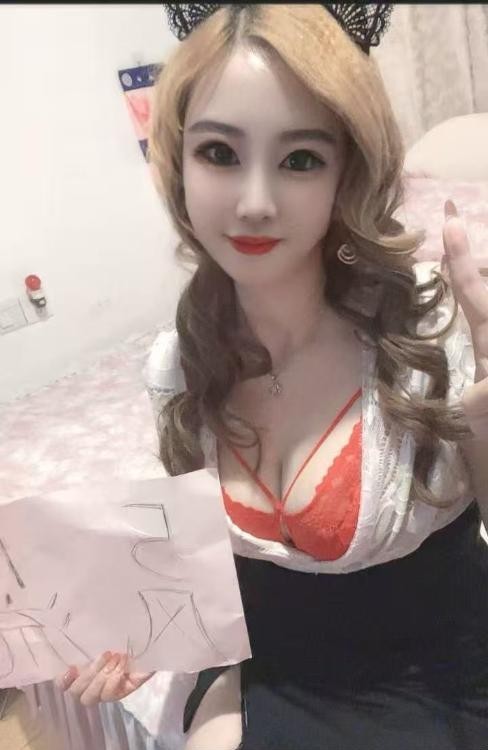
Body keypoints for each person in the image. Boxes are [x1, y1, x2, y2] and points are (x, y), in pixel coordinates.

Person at [60, 4, 488, 749]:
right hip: (273, 661)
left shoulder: (432, 333)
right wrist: (148, 635)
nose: (254, 203)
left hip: (433, 678)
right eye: (219, 153)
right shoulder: (178, 364)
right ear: (178, 164)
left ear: (346, 172)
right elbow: (217, 578)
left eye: (300, 160)